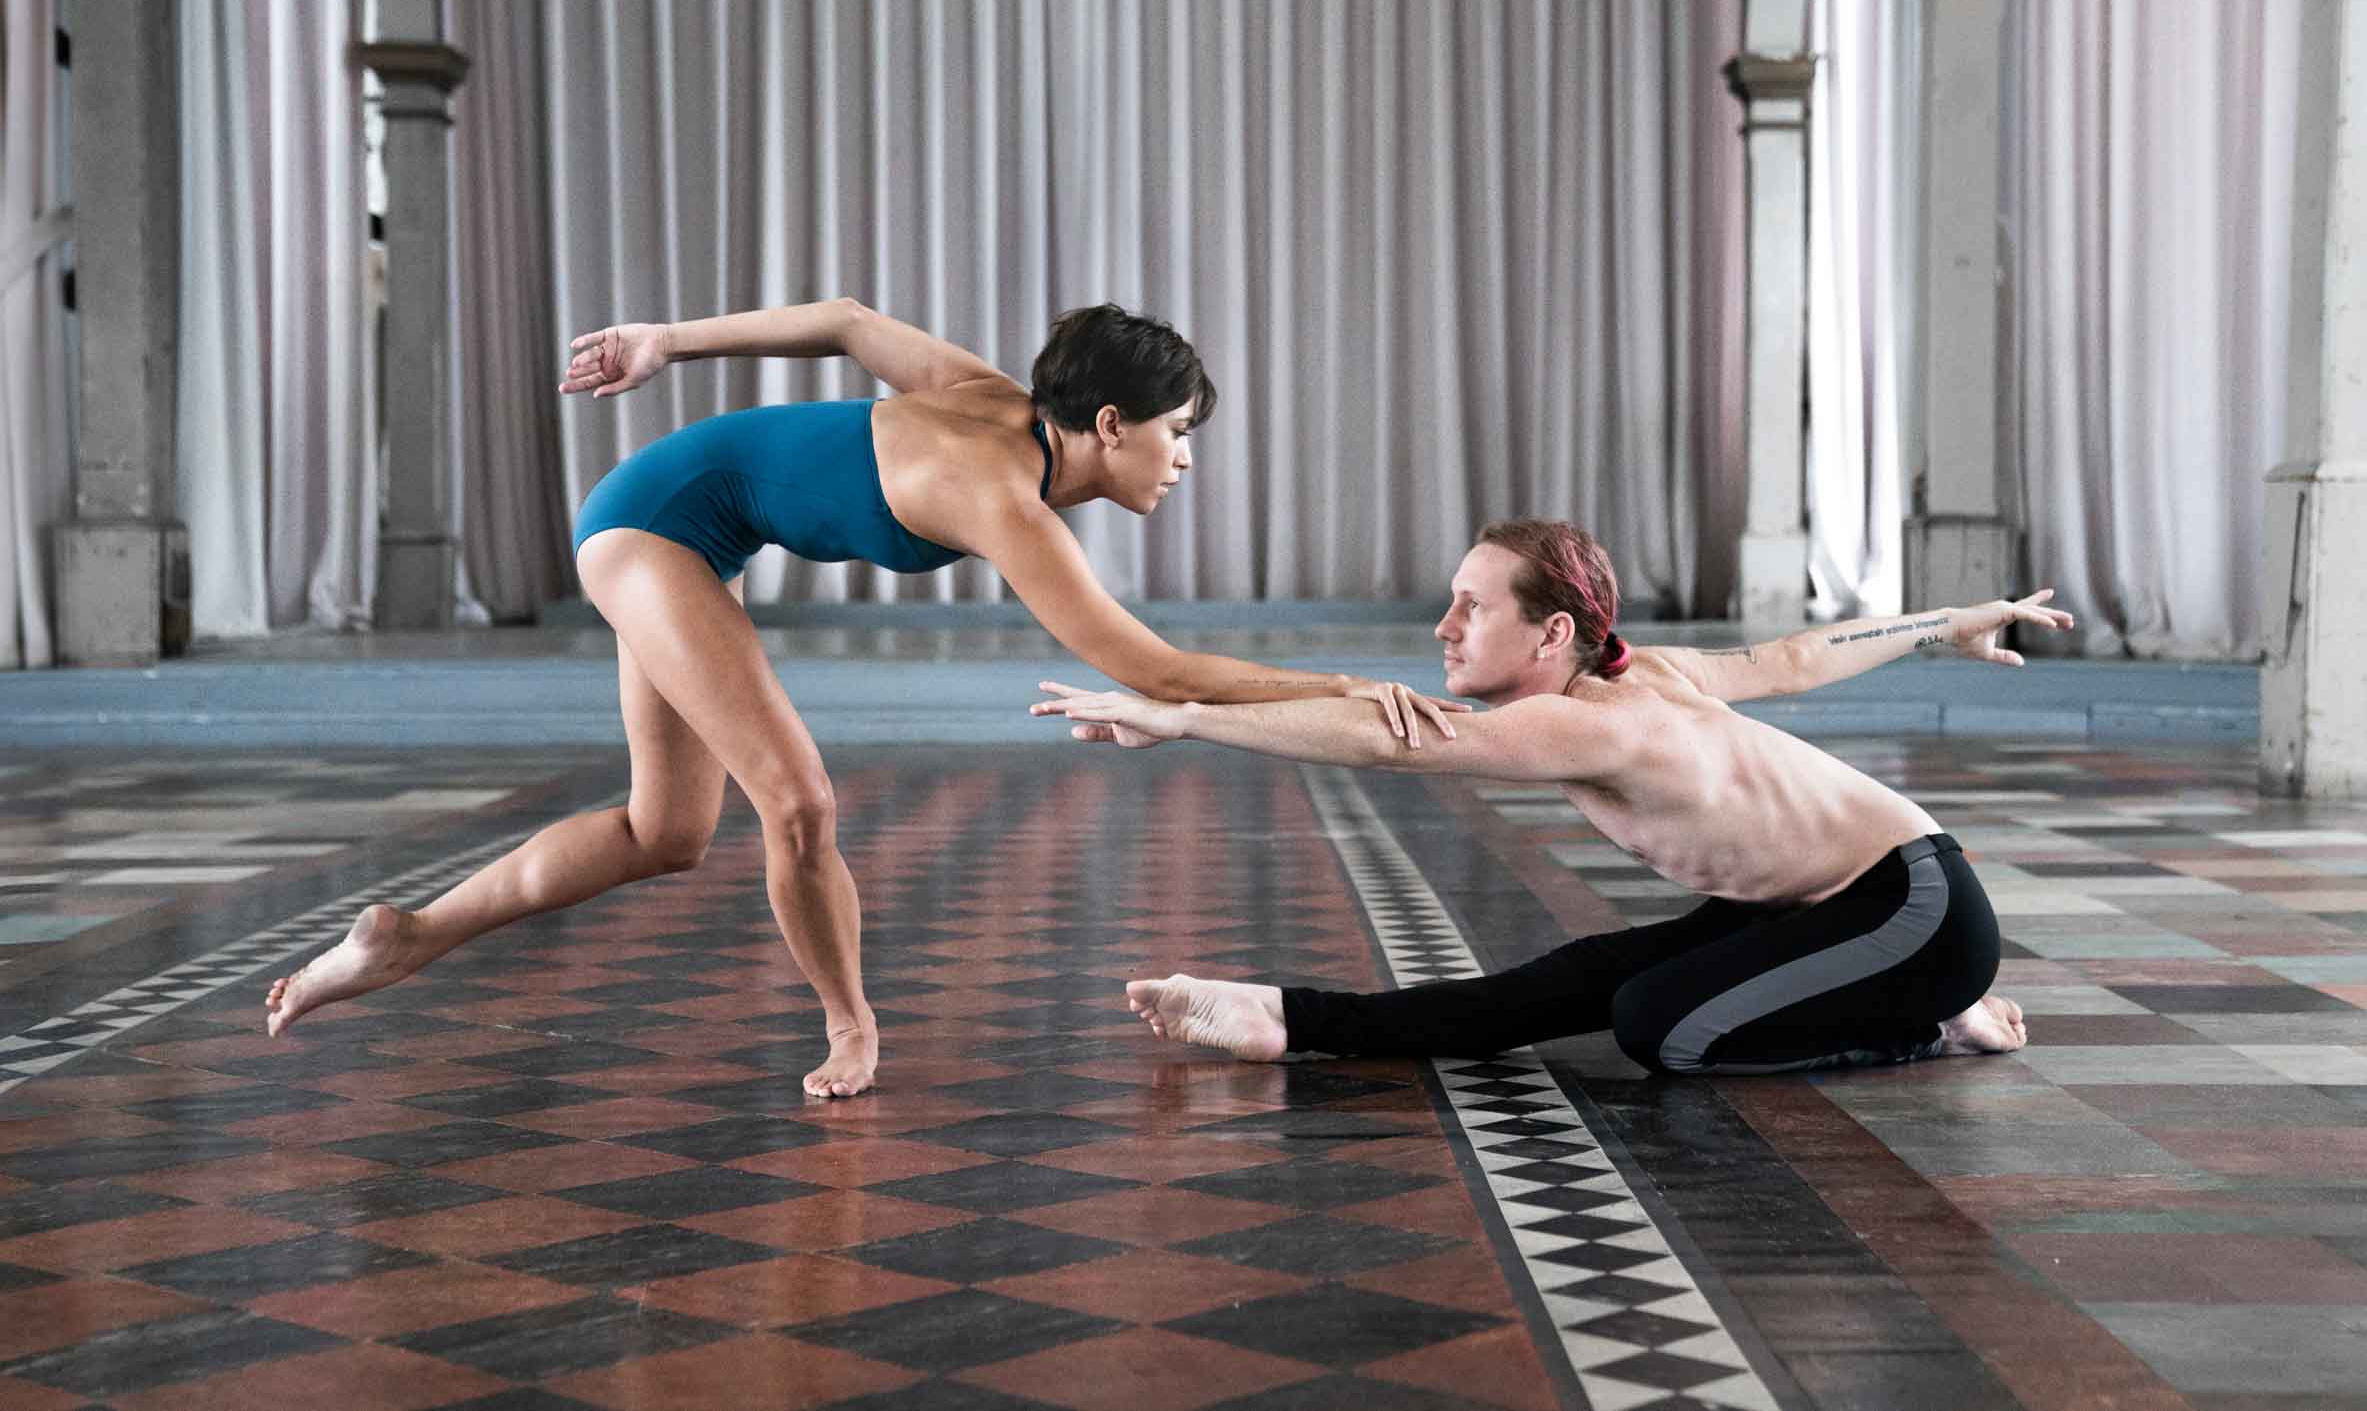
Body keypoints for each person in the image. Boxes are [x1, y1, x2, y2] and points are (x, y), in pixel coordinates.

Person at [264, 300, 1458, 1096]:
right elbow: (1154, 670)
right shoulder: (1001, 494)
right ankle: (849, 1024)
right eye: (1178, 432)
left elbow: (842, 318)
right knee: (796, 803)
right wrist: (1347, 681)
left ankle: (405, 934)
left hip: (679, 525)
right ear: (1109, 425)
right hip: (645, 530)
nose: (1187, 456)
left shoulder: (997, 402)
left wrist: (666, 344)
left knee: (662, 832)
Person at [1033, 518, 2072, 1075]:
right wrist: (1944, 623)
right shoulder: (1635, 674)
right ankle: (1286, 1020)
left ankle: (1931, 1025)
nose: (1445, 626)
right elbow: (1793, 655)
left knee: (1663, 1027)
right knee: (1570, 979)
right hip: (1822, 904)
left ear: (1551, 635)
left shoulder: (1585, 719)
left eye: (1470, 608)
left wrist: (1181, 719)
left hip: (1917, 912)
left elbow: (1380, 747)